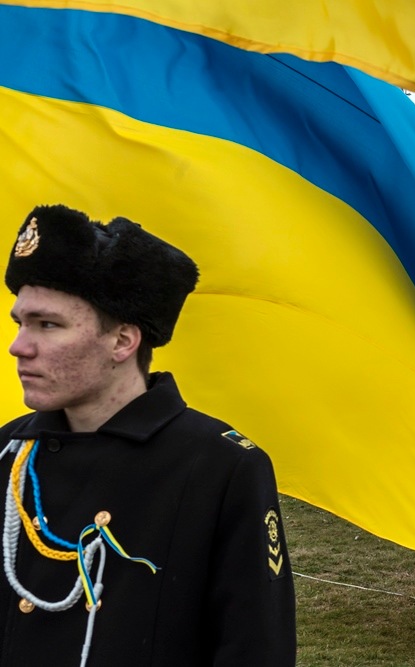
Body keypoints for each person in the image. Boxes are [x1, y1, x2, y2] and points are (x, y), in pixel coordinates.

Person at [0, 205, 296, 665]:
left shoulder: (220, 466)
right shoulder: (8, 452)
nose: (19, 345)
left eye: (48, 325)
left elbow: (254, 647)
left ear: (122, 341)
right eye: (21, 323)